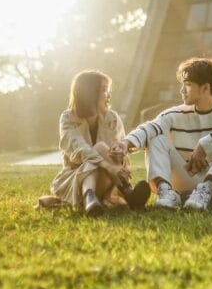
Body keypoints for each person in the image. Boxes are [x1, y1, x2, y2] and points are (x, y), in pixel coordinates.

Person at [112, 58, 212, 211]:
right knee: (155, 137)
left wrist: (204, 146)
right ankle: (167, 194)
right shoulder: (176, 113)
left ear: (205, 88)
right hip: (190, 185)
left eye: (187, 85)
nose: (182, 90)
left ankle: (206, 190)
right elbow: (152, 127)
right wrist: (125, 143)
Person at [50, 69, 150, 217]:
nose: (109, 95)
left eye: (108, 90)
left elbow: (118, 153)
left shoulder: (112, 117)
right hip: (75, 179)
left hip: (108, 180)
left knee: (102, 149)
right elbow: (80, 150)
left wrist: (119, 154)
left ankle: (91, 199)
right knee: (99, 149)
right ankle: (125, 192)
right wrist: (108, 165)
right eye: (104, 90)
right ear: (90, 93)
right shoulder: (68, 118)